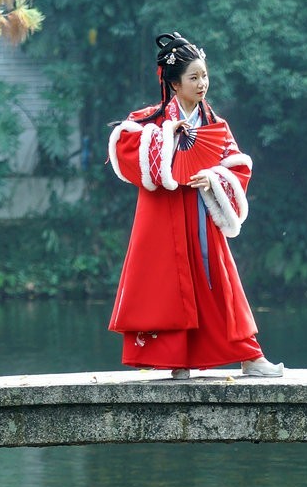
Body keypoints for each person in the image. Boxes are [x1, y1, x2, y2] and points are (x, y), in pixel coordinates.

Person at [108, 31, 284, 380]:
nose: (202, 83)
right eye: (194, 77)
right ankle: (178, 360)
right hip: (164, 216)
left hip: (203, 214)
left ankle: (250, 356)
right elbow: (123, 147)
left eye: (204, 76)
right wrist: (166, 139)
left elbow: (237, 166)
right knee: (168, 286)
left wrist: (214, 178)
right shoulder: (151, 120)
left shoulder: (214, 124)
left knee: (220, 280)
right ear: (174, 84)